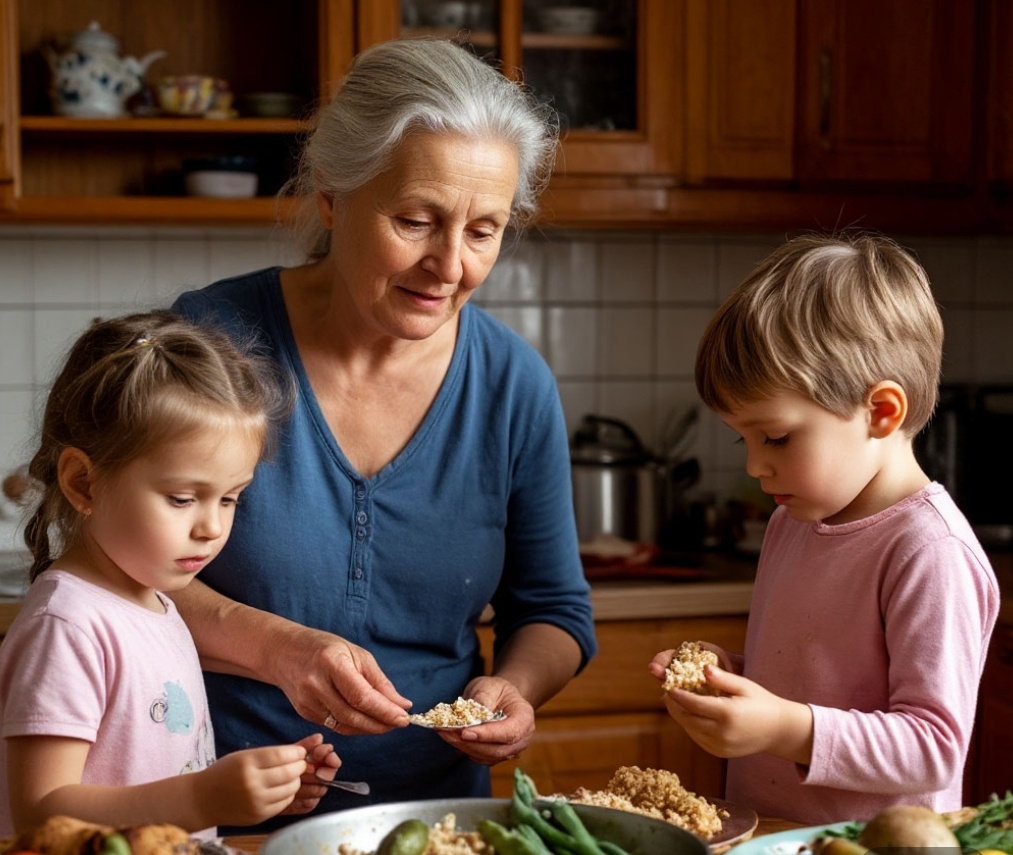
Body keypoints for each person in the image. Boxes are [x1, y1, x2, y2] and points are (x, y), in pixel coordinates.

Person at [169, 37, 597, 832]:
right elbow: (107, 575)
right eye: (416, 220)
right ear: (331, 196)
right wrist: (279, 649)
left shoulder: (512, 384)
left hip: (437, 829)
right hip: (217, 820)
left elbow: (553, 610)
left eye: (483, 230)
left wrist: (515, 687)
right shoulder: (212, 341)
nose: (448, 265)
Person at [648, 233, 999, 824]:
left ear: (881, 412)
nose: (755, 465)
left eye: (777, 437)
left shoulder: (930, 552)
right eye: (745, 438)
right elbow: (816, 677)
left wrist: (783, 727)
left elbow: (934, 747)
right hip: (772, 834)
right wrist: (732, 675)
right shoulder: (792, 521)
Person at [0, 310, 341, 837]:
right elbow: (40, 814)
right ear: (83, 484)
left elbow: (152, 776)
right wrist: (202, 799)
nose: (211, 527)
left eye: (230, 498)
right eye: (183, 498)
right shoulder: (66, 625)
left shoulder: (157, 602)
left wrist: (255, 793)